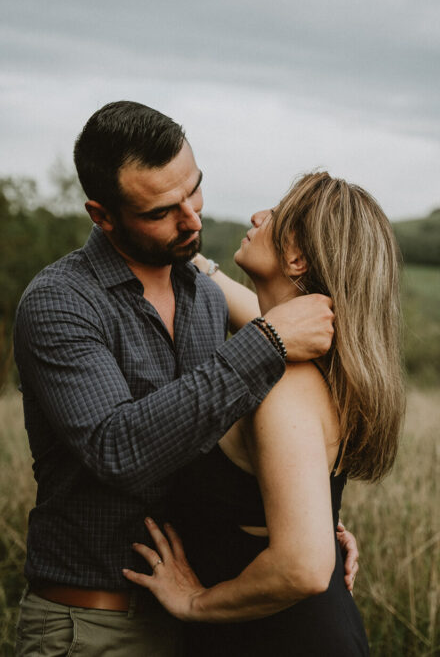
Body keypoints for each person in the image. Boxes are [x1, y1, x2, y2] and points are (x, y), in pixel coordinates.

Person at [13, 102, 358, 656]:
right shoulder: (60, 303)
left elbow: (216, 442)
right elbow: (120, 449)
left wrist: (304, 524)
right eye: (161, 211)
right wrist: (264, 343)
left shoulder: (203, 295)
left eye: (194, 190)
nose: (193, 219)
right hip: (96, 624)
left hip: (205, 616)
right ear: (102, 215)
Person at [123, 172, 405, 656]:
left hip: (281, 639)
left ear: (296, 258)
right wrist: (182, 244)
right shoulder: (317, 359)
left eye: (275, 215)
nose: (257, 217)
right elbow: (261, 321)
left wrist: (195, 603)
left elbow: (304, 566)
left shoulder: (286, 387)